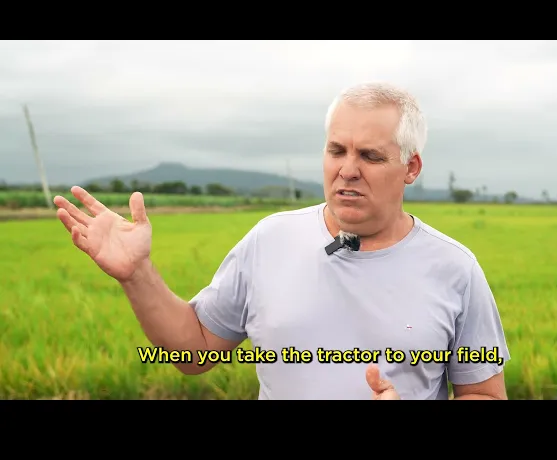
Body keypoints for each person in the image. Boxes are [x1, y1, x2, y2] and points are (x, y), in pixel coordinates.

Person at [54, 82, 510, 400]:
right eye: (336, 150)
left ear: (411, 167)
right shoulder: (270, 240)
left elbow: (485, 393)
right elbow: (194, 351)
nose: (347, 170)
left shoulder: (455, 268)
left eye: (370, 156)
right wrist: (137, 274)